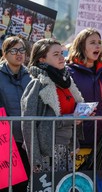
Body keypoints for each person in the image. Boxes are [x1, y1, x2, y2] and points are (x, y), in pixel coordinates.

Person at [21, 38, 84, 174]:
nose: (62, 57)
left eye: (62, 53)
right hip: (47, 152)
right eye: (56, 54)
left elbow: (70, 116)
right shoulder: (37, 84)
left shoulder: (67, 83)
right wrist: (35, 158)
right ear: (42, 59)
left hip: (65, 149)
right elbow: (28, 124)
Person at [67, 28, 102, 189]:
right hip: (78, 142)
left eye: (99, 42)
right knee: (80, 186)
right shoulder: (69, 72)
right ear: (81, 45)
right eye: (92, 43)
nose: (97, 46)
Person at [0, 36, 31, 192]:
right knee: (5, 186)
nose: (19, 54)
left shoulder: (31, 76)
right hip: (5, 142)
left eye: (21, 50)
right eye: (14, 50)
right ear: (5, 54)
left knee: (23, 185)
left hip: (26, 140)